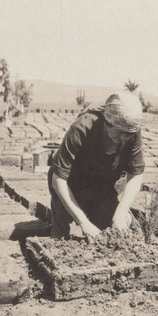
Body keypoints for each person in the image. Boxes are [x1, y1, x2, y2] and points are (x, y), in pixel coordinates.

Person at [48, 92, 145, 241]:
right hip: (72, 185)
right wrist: (83, 223)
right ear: (107, 122)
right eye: (119, 133)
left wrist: (120, 213)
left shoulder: (131, 129)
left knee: (116, 232)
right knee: (60, 239)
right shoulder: (81, 129)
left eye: (128, 135)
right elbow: (58, 180)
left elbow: (136, 174)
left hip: (104, 186)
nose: (123, 139)